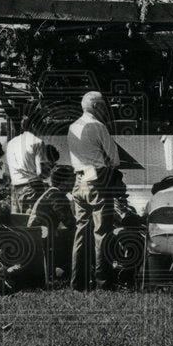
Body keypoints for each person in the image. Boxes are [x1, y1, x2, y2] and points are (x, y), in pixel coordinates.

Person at [68, 91, 120, 291]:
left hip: (78, 181)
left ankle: (78, 283)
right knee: (102, 233)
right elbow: (114, 159)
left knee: (81, 233)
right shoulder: (98, 126)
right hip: (97, 181)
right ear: (97, 107)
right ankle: (103, 283)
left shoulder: (73, 126)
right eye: (104, 106)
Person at [27, 165, 76, 279]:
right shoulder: (57, 195)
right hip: (39, 238)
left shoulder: (52, 193)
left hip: (39, 235)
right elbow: (69, 222)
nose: (74, 183)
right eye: (72, 180)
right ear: (63, 182)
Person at [6, 114, 50, 213]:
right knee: (33, 221)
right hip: (32, 187)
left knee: (19, 221)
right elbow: (40, 172)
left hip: (15, 187)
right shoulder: (37, 142)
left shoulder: (11, 143)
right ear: (34, 125)